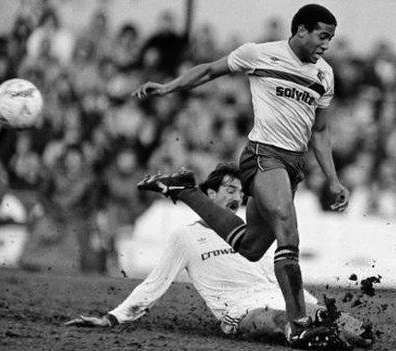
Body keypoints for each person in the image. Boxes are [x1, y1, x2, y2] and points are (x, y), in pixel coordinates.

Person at [133, 4, 350, 347]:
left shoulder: (324, 75)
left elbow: (319, 133)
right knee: (288, 231)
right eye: (323, 36)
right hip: (262, 155)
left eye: (331, 38)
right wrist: (168, 87)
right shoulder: (259, 54)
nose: (327, 44)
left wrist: (334, 180)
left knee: (251, 246)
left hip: (291, 166)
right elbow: (208, 71)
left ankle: (186, 190)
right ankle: (299, 324)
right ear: (301, 31)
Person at [65, 164, 372, 349]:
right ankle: (299, 332)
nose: (237, 197)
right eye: (229, 189)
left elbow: (278, 272)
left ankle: (310, 327)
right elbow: (153, 285)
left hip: (285, 300)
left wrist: (313, 307)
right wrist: (113, 317)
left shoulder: (253, 234)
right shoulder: (186, 237)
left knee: (360, 334)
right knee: (280, 321)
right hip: (242, 311)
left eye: (241, 192)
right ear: (209, 195)